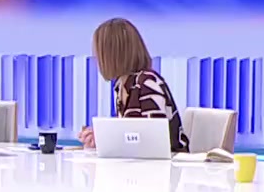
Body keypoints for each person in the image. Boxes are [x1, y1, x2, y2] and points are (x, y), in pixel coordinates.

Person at [78, 18, 188, 153]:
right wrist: (102, 138)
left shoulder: (147, 83)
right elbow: (131, 138)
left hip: (168, 163)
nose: (96, 59)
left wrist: (108, 140)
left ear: (112, 54)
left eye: (99, 53)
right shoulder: (122, 86)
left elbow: (153, 143)